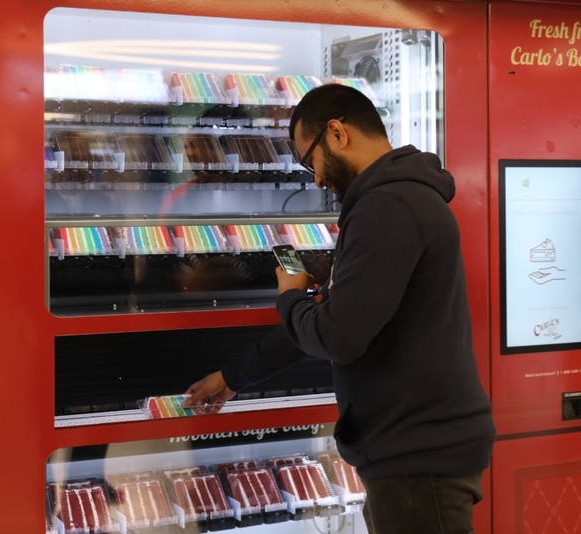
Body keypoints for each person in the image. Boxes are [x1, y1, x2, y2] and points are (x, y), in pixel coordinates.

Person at [184, 84, 496, 534]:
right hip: (415, 447)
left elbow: (338, 334)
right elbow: (337, 313)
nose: (315, 179)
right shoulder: (395, 199)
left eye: (310, 161)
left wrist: (289, 294)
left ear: (336, 133)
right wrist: (237, 376)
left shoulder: (386, 205)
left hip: (415, 453)